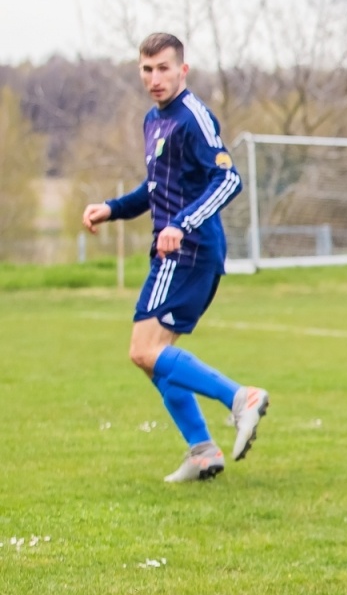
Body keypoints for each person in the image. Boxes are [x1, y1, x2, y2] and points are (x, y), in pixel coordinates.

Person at [81, 32, 268, 483]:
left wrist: (179, 225)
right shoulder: (153, 120)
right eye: (146, 70)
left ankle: (239, 398)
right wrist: (113, 208)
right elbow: (155, 189)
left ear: (182, 69)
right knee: (149, 355)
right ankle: (203, 451)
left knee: (145, 350)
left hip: (190, 250)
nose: (154, 78)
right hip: (176, 250)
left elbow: (229, 181)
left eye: (163, 68)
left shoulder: (193, 118)